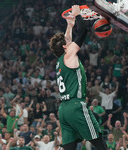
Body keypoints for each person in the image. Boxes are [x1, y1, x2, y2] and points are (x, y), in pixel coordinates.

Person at [49, 5, 107, 150]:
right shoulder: (69, 55)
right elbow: (83, 32)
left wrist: (70, 24)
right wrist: (78, 14)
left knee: (69, 146)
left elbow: (67, 39)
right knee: (98, 140)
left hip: (63, 110)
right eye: (67, 42)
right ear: (64, 47)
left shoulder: (60, 60)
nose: (70, 41)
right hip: (76, 106)